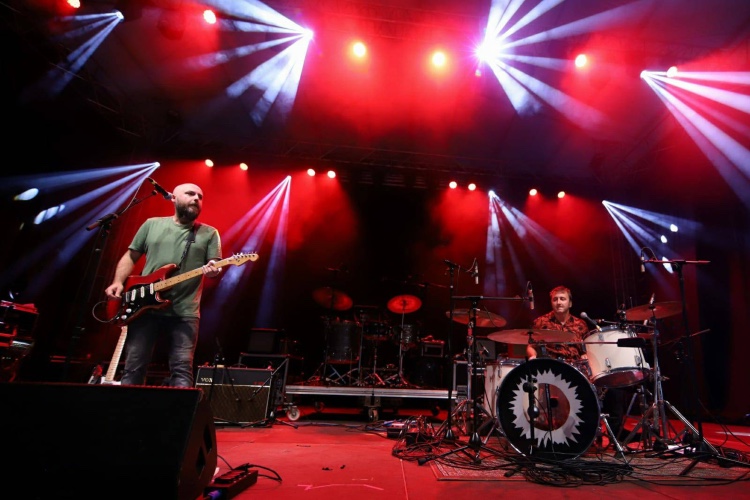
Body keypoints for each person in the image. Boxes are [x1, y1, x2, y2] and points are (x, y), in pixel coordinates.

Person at [104, 182, 222, 387]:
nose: (196, 199)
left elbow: (214, 269)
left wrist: (214, 270)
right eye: (190, 194)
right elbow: (131, 256)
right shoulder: (151, 224)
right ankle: (126, 406)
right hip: (144, 308)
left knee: (182, 370)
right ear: (173, 198)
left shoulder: (209, 233)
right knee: (133, 368)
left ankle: (180, 409)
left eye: (200, 197)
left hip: (184, 312)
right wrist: (117, 282)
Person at [527, 285, 626, 444]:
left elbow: (585, 349)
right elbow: (530, 345)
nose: (559, 302)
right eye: (555, 299)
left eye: (563, 299)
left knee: (610, 387)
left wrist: (586, 356)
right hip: (552, 369)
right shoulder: (540, 322)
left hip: (576, 369)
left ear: (570, 303)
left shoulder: (581, 324)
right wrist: (533, 356)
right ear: (551, 302)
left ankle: (589, 431)